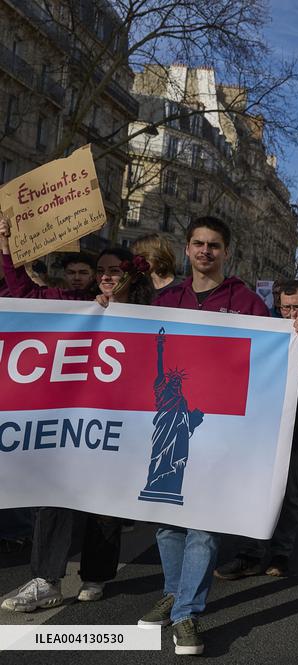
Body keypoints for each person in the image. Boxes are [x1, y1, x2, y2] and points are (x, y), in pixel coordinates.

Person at [136, 216, 298, 656]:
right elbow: (138, 345)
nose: (205, 252)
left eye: (214, 245)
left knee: (205, 524)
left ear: (225, 252)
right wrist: (102, 310)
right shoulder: (167, 298)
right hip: (166, 425)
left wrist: (297, 336)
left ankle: (187, 615)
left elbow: (270, 355)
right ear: (186, 247)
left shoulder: (247, 302)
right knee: (168, 521)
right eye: (198, 243)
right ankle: (175, 592)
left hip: (220, 430)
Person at [0, 232, 152, 614]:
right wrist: (8, 248)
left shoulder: (152, 313)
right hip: (69, 421)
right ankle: (46, 579)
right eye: (101, 271)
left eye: (114, 271)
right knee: (54, 494)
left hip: (118, 421)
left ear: (131, 275)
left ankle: (95, 575)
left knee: (103, 501)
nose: (105, 277)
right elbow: (23, 295)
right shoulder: (74, 303)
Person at [214, 281, 298, 580]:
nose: (291, 314)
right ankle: (249, 553)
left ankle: (281, 553)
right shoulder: (266, 331)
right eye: (285, 308)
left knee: (290, 496)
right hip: (264, 431)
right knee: (255, 492)